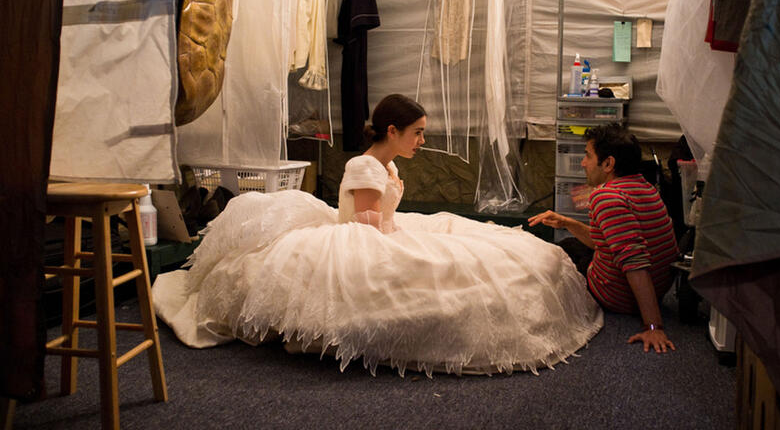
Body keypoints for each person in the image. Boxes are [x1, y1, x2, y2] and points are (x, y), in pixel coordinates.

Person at [153, 94, 603, 376]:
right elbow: (365, 224)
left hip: (380, 228)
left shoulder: (385, 164)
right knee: (437, 266)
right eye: (418, 133)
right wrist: (405, 244)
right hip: (360, 236)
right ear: (393, 131)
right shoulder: (364, 165)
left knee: (485, 253)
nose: (422, 141)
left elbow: (382, 216)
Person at [528, 123, 679, 354]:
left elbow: (634, 262)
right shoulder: (645, 188)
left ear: (608, 163)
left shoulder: (606, 197)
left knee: (553, 256)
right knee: (571, 242)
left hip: (618, 297)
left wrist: (653, 325)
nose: (583, 163)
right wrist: (568, 223)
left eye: (588, 156)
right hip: (658, 289)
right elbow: (607, 242)